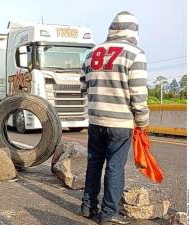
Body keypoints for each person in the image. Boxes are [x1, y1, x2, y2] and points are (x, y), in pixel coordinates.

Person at [79, 11, 149, 225]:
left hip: (96, 119)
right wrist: (143, 122)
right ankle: (108, 214)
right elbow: (138, 94)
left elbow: (83, 87)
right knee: (114, 167)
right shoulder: (135, 53)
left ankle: (88, 206)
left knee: (94, 163)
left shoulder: (92, 53)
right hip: (120, 123)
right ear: (133, 31)